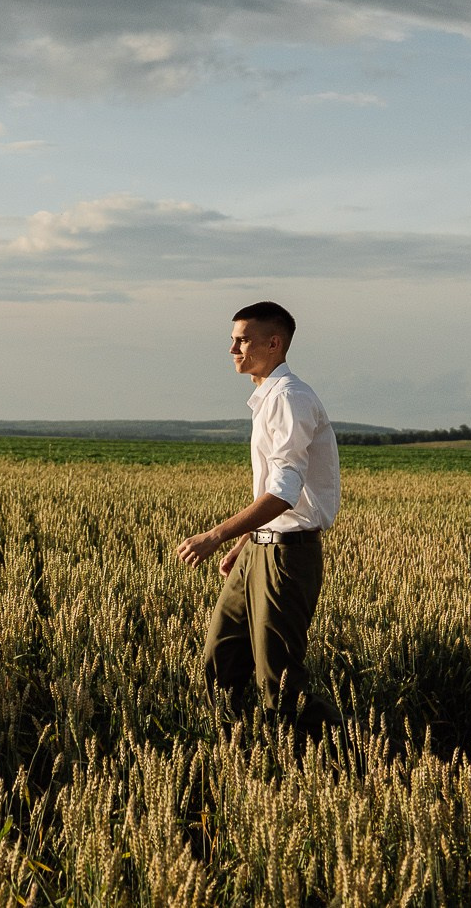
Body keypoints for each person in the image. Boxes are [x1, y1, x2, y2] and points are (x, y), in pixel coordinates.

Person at [176, 301, 341, 736]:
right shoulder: (268, 397)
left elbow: (285, 493)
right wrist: (243, 545)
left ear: (274, 342)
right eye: (233, 339)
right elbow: (276, 492)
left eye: (242, 339)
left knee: (281, 684)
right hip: (260, 550)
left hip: (288, 557)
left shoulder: (289, 398)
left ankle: (351, 755)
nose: (232, 348)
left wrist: (215, 534)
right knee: (219, 664)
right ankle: (235, 759)